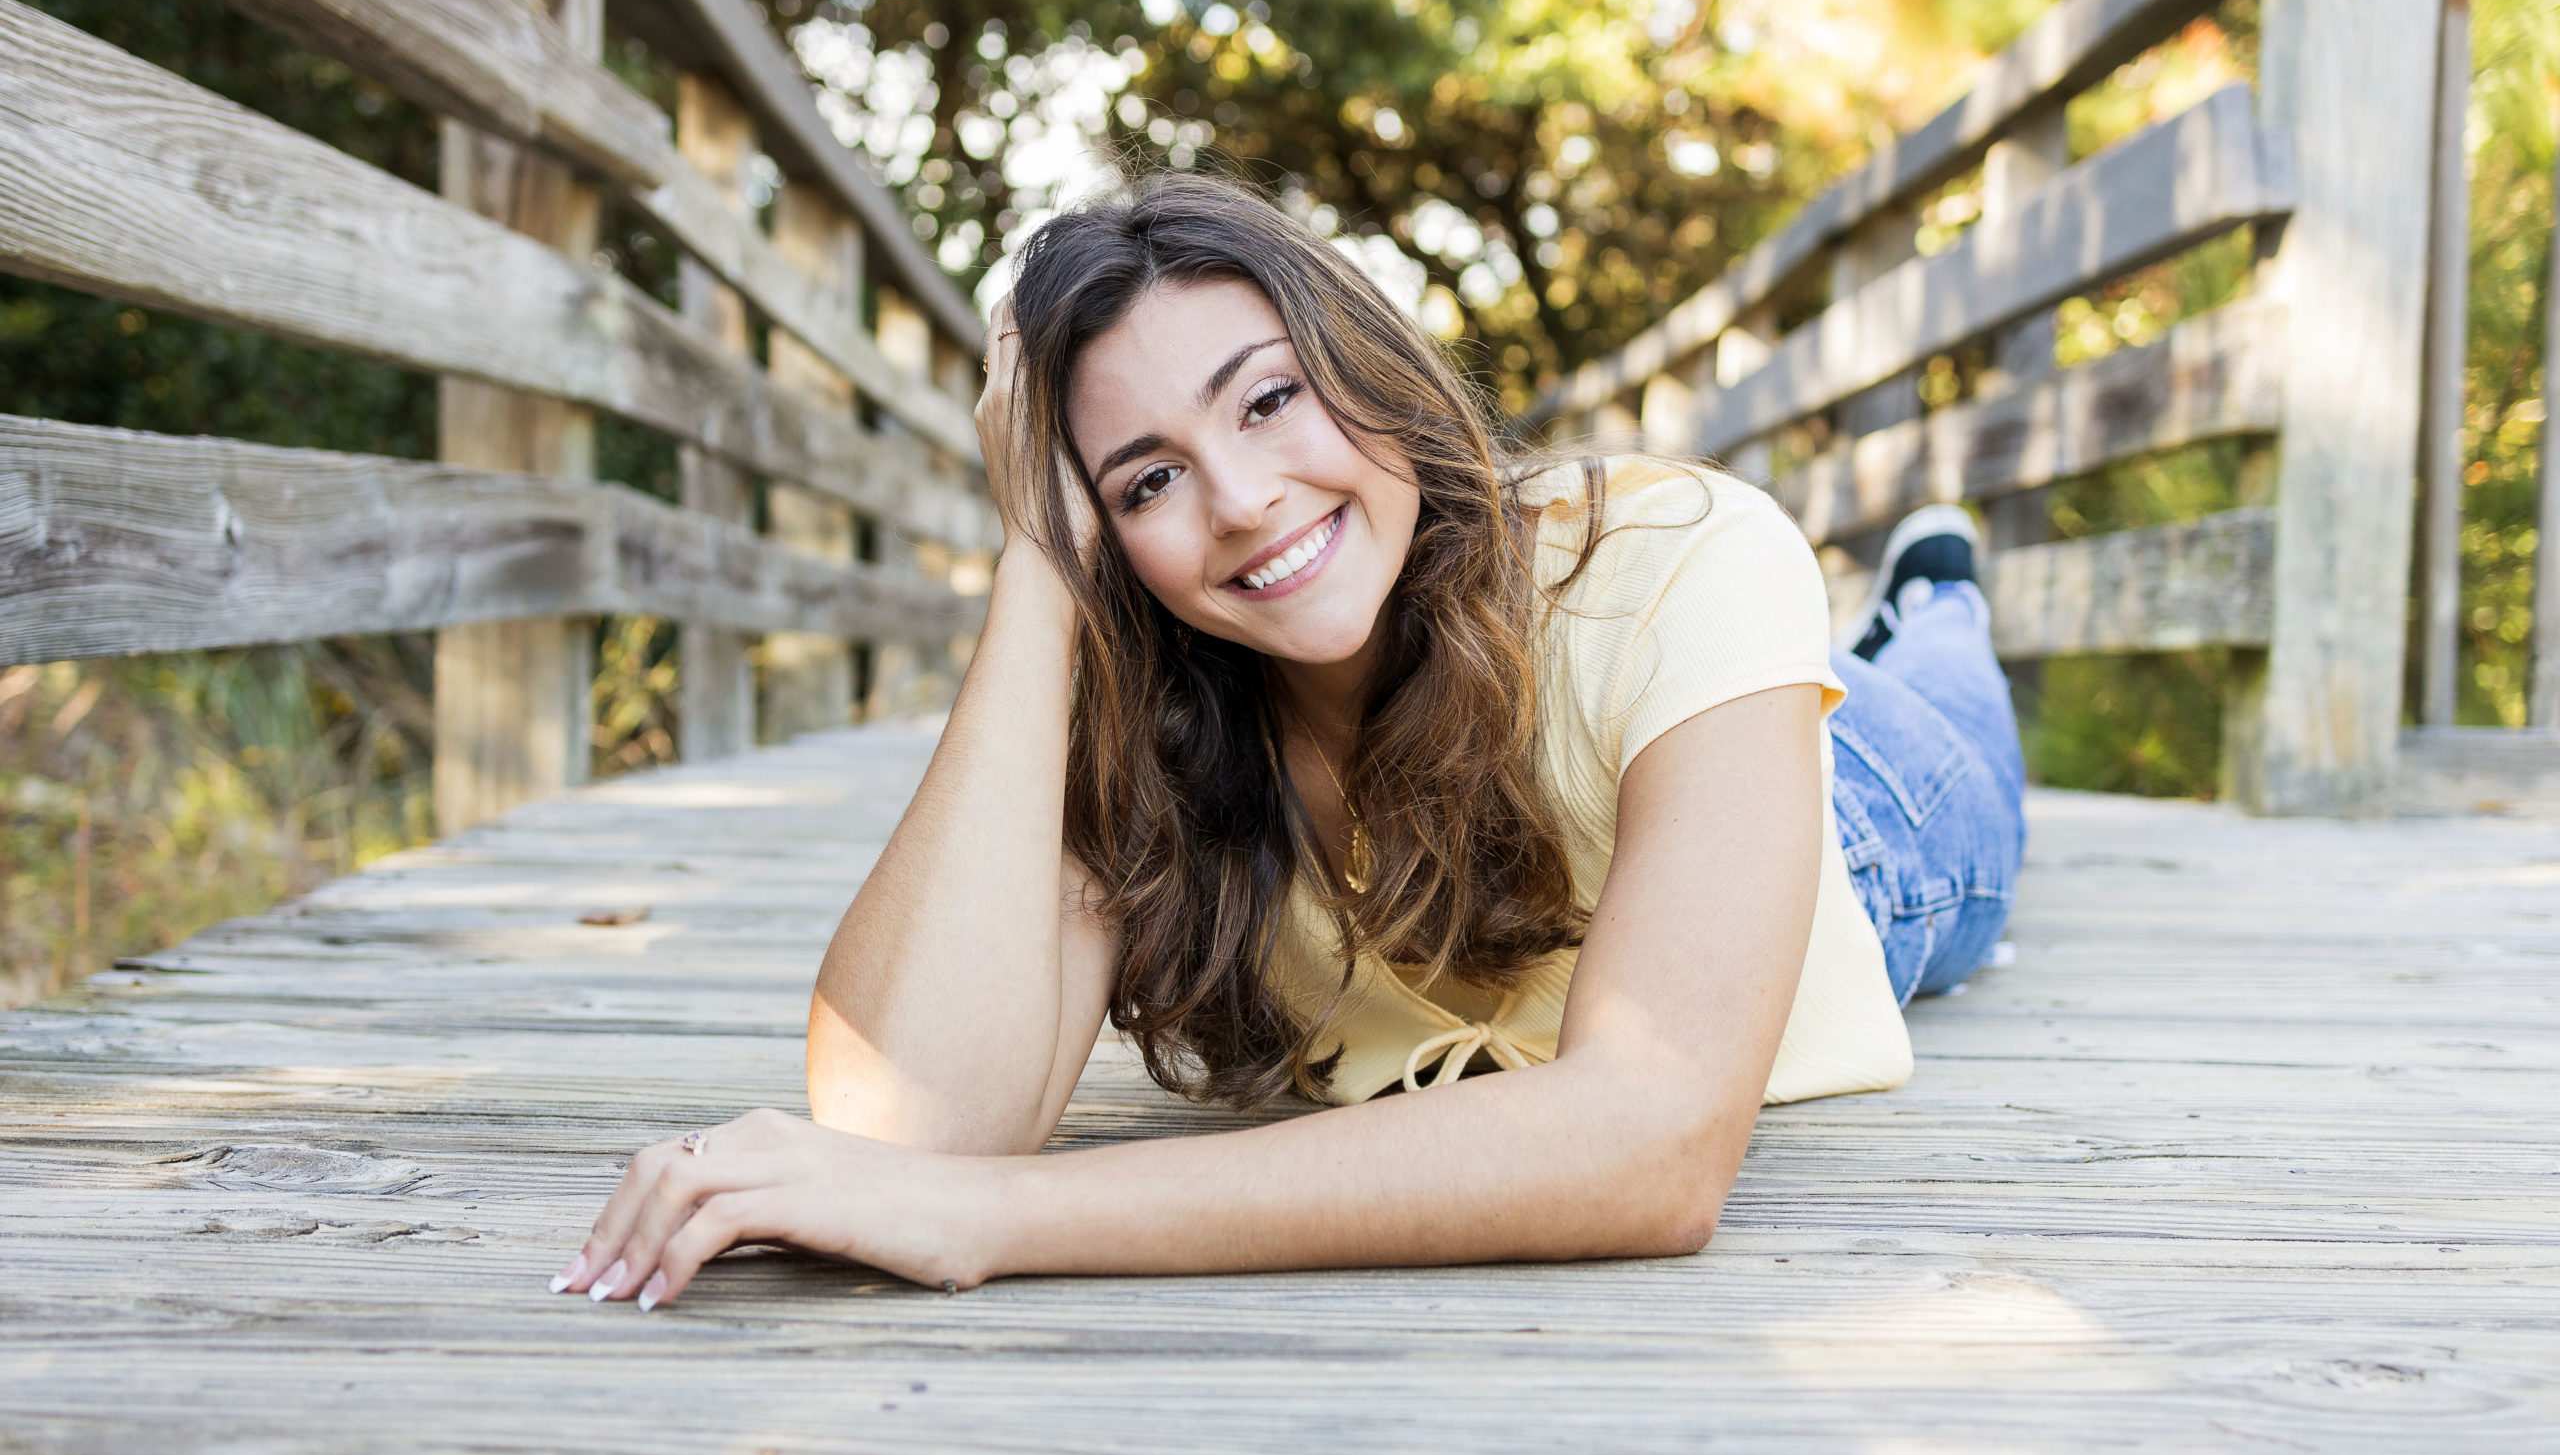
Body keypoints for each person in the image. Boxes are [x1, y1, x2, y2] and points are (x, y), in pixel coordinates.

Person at [550, 174, 2026, 1310]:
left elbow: (1651, 1142)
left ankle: (1934, 596)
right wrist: (1034, 570)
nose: (1245, 498)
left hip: (1870, 837)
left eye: (1269, 398)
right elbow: (900, 1130)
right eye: (1144, 482)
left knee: (1943, 693)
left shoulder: (1679, 553)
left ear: (1365, 361)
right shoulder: (1151, 710)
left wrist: (999, 1226)